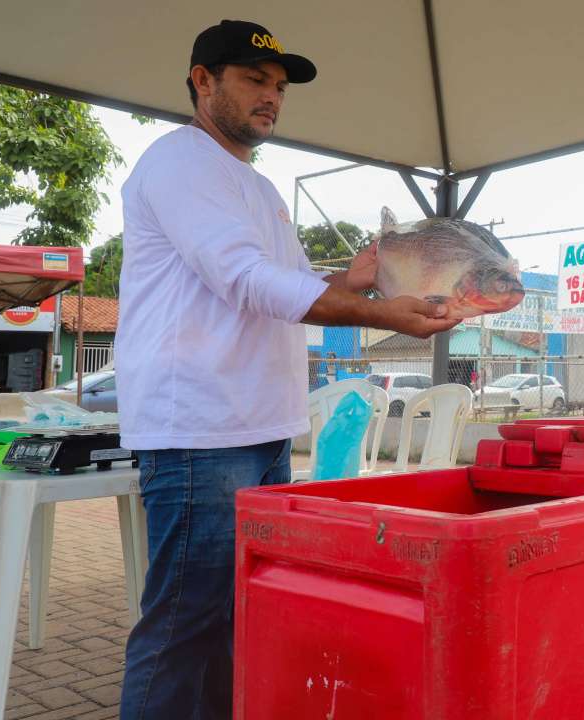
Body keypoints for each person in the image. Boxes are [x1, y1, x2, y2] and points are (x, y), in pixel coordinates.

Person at [114, 20, 460, 719]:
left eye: (278, 87)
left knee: (231, 619)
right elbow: (248, 280)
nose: (271, 98)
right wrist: (380, 314)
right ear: (201, 80)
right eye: (253, 80)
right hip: (200, 433)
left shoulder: (251, 184)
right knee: (187, 625)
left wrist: (357, 279)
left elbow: (287, 289)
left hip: (258, 428)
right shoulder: (180, 162)